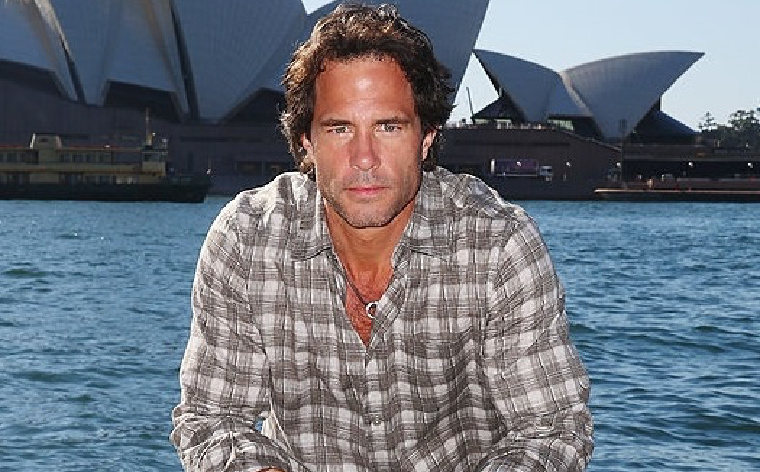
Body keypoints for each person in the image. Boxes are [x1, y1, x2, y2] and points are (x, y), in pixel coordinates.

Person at [171, 3, 593, 471]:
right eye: (340, 128)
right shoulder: (247, 239)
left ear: (426, 137)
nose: (364, 157)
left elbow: (550, 429)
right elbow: (213, 419)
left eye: (388, 127)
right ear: (307, 141)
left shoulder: (497, 244)